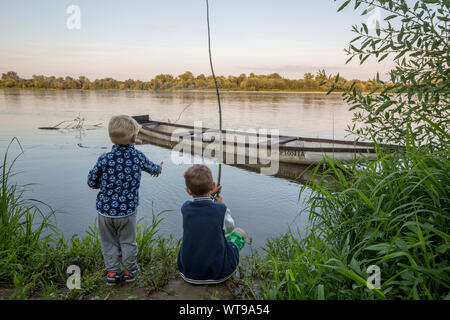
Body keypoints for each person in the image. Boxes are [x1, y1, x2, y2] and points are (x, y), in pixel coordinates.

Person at [87, 115, 163, 285]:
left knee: (109, 243)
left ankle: (113, 274)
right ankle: (129, 271)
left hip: (105, 211)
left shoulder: (104, 158)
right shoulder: (137, 157)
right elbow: (153, 169)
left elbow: (91, 182)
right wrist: (160, 167)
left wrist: (103, 184)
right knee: (128, 242)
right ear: (134, 138)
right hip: (127, 212)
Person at [177, 164, 247, 284]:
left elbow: (201, 205)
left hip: (188, 272)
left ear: (188, 190)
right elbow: (229, 229)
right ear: (213, 185)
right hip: (219, 274)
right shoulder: (221, 209)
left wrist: (211, 194)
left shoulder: (185, 208)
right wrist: (220, 203)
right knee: (240, 232)